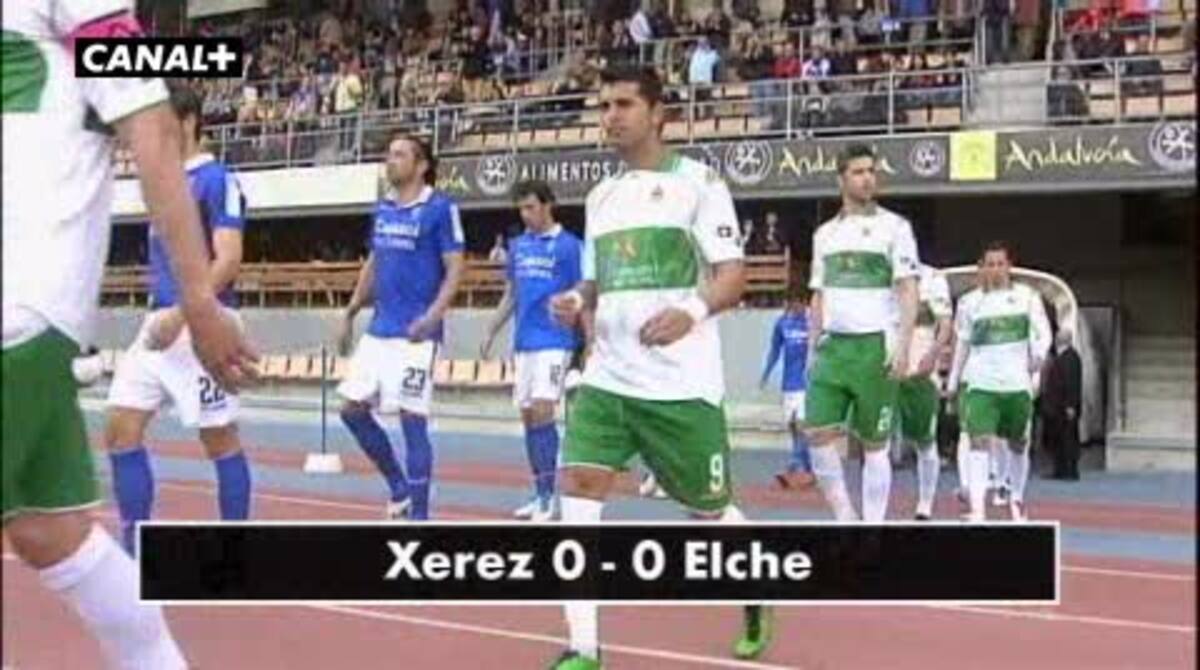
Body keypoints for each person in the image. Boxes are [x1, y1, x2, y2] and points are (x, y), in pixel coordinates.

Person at [3, 3, 257, 668]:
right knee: (49, 529)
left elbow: (151, 124)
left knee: (214, 440)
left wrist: (198, 301)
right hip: (44, 314)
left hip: (18, 303)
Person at [546, 66, 770, 669]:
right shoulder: (600, 196)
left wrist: (690, 312)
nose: (610, 116)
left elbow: (732, 276)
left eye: (623, 104)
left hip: (679, 384)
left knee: (708, 510)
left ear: (658, 114)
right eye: (604, 106)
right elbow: (596, 282)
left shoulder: (698, 184)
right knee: (579, 489)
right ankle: (583, 648)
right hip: (608, 378)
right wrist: (575, 299)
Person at [104, 85, 251, 555]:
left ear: (188, 122)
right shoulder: (164, 183)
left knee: (219, 438)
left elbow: (229, 259)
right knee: (120, 428)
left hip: (201, 325)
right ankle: (135, 547)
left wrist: (181, 312)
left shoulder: (217, 179)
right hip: (157, 325)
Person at [336, 134, 464, 521]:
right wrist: (351, 309)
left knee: (412, 420)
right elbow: (375, 261)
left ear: (421, 165)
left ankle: (420, 518)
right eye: (388, 154)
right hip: (379, 330)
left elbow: (456, 269)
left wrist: (433, 316)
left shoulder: (440, 208)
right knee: (350, 410)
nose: (389, 160)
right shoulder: (384, 207)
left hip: (417, 335)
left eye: (399, 155)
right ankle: (399, 487)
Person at [804, 144, 920, 523]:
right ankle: (844, 515)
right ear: (841, 179)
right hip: (833, 348)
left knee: (874, 446)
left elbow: (908, 289)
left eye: (871, 171)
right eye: (858, 172)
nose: (868, 178)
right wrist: (812, 349)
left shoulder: (895, 227)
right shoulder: (824, 234)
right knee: (817, 433)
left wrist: (903, 346)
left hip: (875, 347)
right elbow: (818, 294)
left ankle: (872, 527)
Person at [480, 180, 584, 521]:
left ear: (547, 205)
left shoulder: (570, 246)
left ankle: (549, 498)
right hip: (524, 342)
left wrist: (587, 343)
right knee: (528, 418)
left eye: (530, 207)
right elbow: (511, 294)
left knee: (542, 410)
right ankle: (540, 492)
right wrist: (491, 330)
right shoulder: (518, 246)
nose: (525, 214)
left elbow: (584, 293)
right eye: (521, 209)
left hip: (555, 340)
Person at [948, 241, 1051, 522]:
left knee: (1018, 443)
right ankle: (978, 509)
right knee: (978, 441)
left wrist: (1038, 358)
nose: (995, 269)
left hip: (1016, 383)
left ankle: (1016, 497)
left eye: (1000, 264)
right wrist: (954, 381)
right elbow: (962, 344)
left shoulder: (1027, 297)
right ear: (981, 268)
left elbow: (1042, 333)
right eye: (990, 264)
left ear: (1009, 266)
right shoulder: (968, 303)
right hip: (981, 383)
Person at [897, 263, 953, 520]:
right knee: (874, 441)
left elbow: (945, 324)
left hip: (920, 372)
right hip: (886, 369)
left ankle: (925, 503)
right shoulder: (880, 273)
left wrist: (932, 355)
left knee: (924, 441)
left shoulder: (933, 278)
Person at [761, 289, 816, 490]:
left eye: (798, 303)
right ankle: (808, 467)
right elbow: (775, 350)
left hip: (805, 382)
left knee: (802, 424)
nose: (794, 308)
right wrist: (766, 374)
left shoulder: (812, 323)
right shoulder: (782, 323)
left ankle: (795, 463)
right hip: (788, 382)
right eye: (790, 303)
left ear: (804, 303)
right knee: (792, 426)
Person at [1041, 327, 1082, 480]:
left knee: (1068, 439)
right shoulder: (1063, 356)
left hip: (1064, 407)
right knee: (1059, 440)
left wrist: (1070, 405)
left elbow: (1071, 383)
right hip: (1058, 407)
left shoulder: (1070, 357)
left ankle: (1069, 471)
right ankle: (1060, 469)